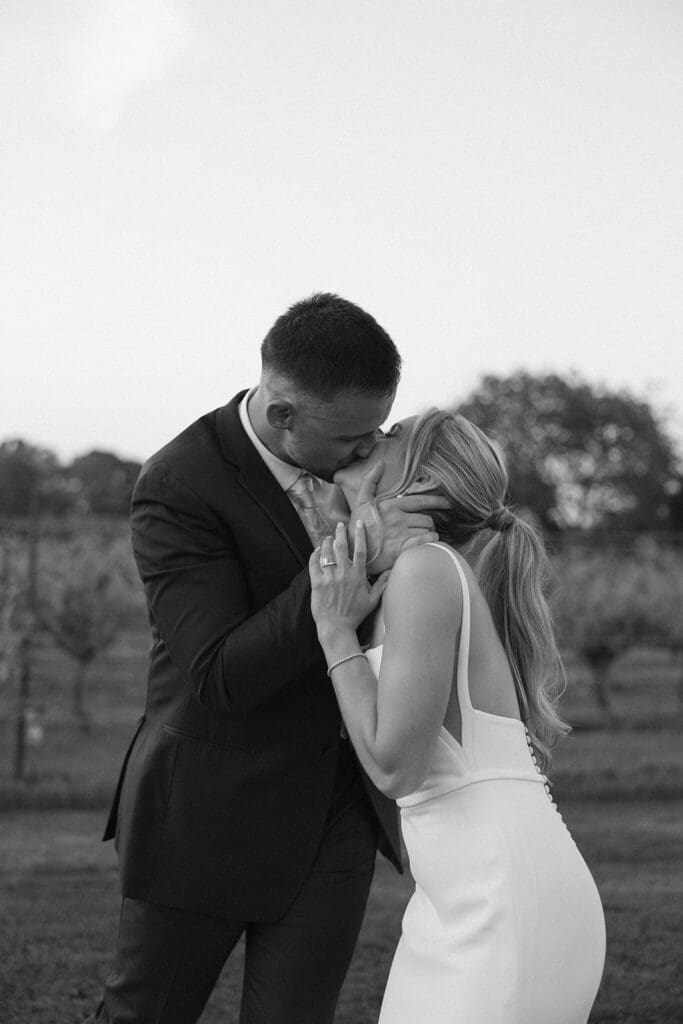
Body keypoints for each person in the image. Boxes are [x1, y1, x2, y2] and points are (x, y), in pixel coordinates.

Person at [86, 293, 450, 1024]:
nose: (364, 448)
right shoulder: (178, 484)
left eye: (376, 427)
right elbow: (219, 674)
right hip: (204, 815)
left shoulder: (364, 475)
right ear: (283, 414)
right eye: (349, 434)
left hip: (334, 815)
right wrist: (349, 556)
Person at [310, 409, 606, 1024]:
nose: (374, 434)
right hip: (463, 896)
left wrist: (336, 633)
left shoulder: (427, 572)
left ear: (421, 480)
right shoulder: (418, 575)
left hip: (500, 901)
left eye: (392, 434)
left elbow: (394, 767)